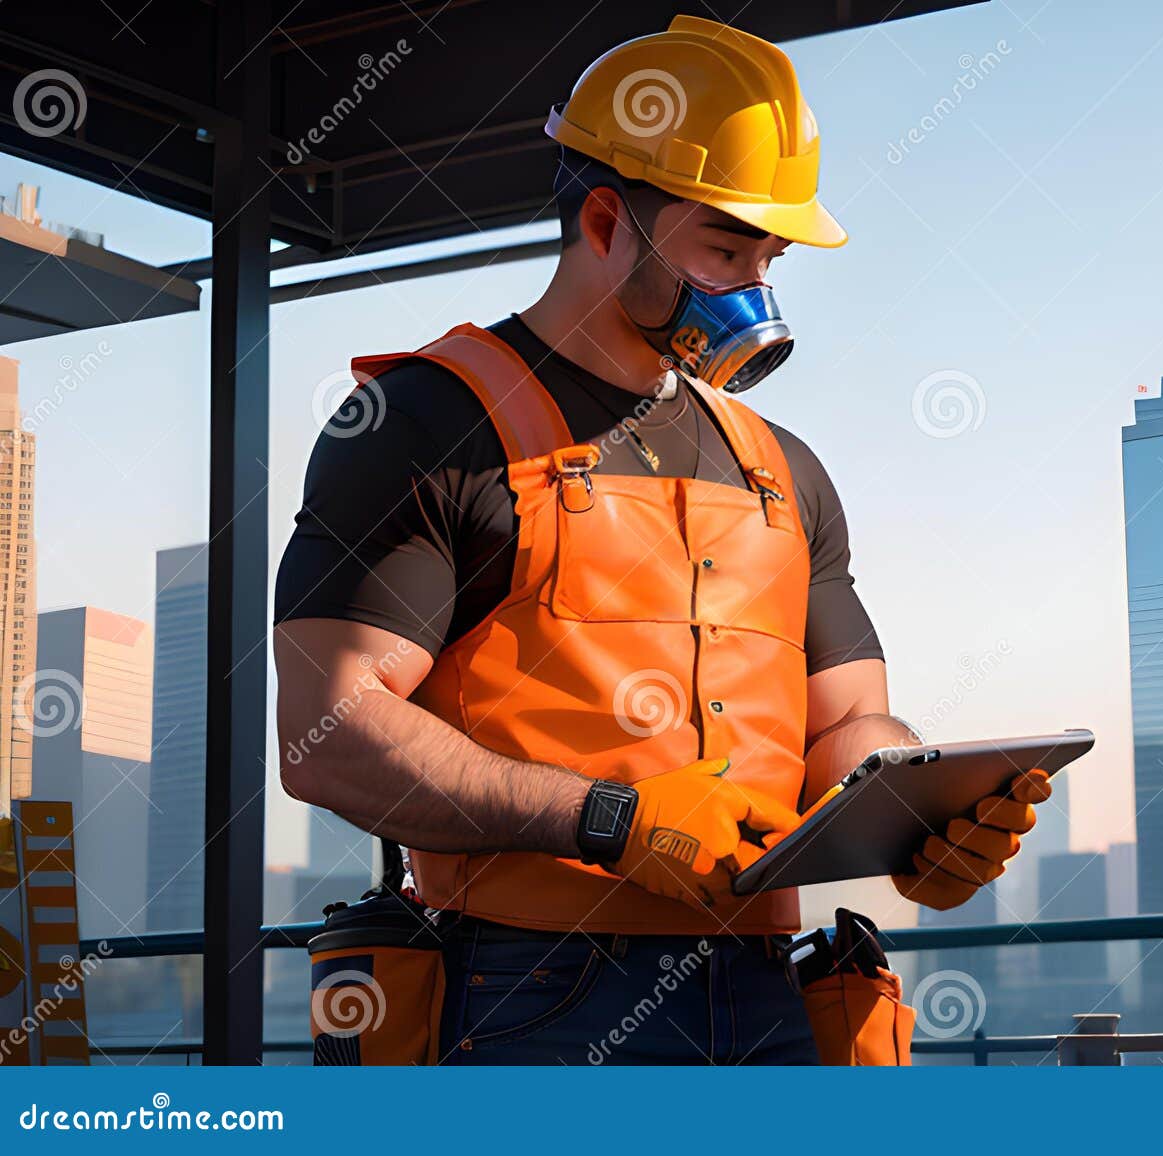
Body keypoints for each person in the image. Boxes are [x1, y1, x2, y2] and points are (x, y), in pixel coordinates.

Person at [273, 14, 1051, 1065]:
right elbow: (331, 733)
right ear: (604, 223)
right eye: (724, 247)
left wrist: (914, 820)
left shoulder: (783, 468)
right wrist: (610, 821)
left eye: (768, 254)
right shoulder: (428, 425)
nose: (755, 289)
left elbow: (848, 719)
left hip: (768, 990)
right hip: (522, 993)